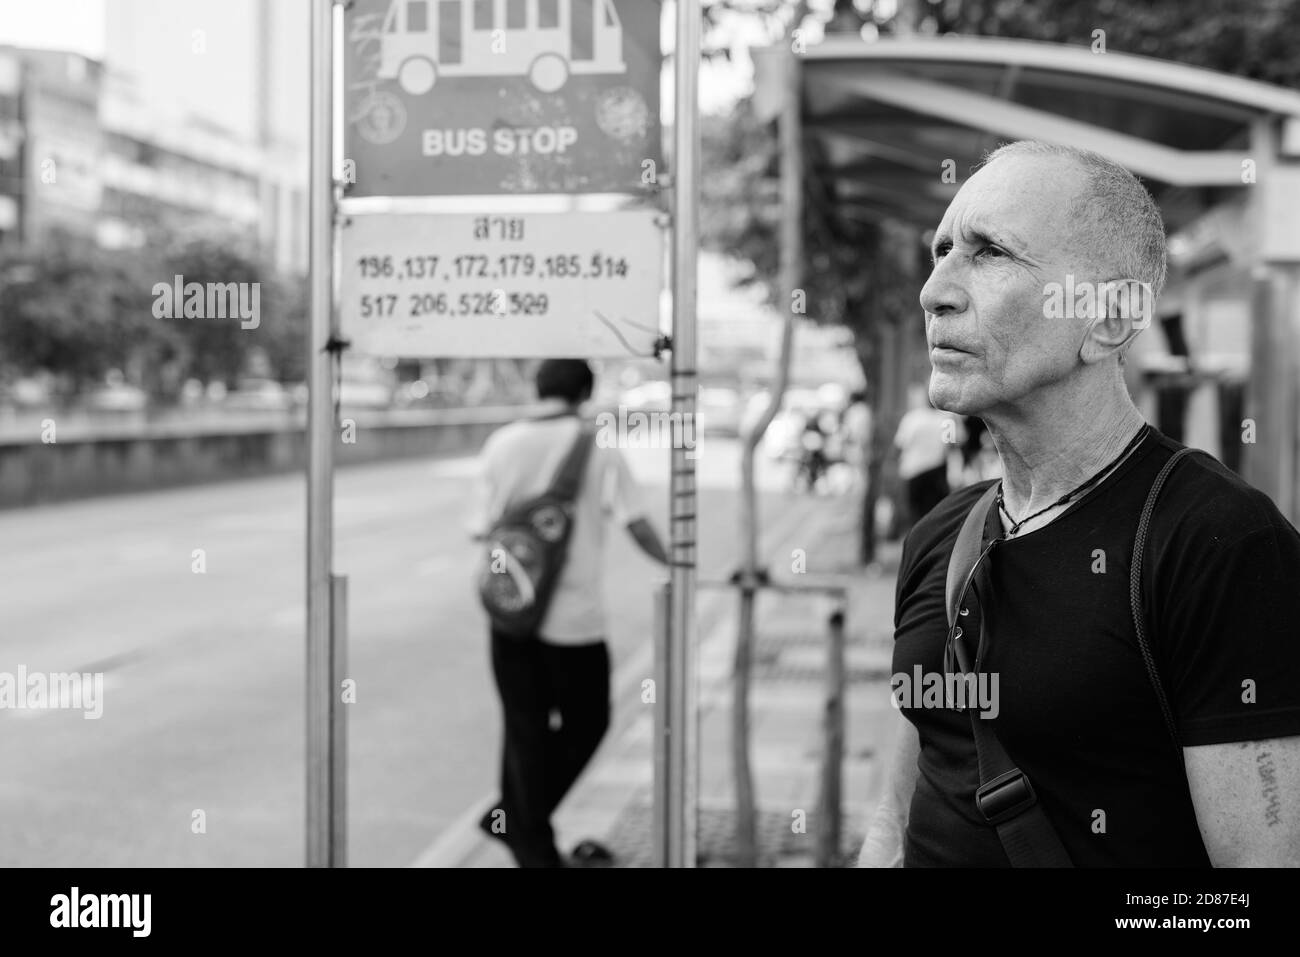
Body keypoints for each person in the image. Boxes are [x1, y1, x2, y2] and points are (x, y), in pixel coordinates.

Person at [859, 140, 1300, 867]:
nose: (934, 288)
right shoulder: (942, 535)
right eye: (941, 250)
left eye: (990, 252)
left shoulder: (1218, 544)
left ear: (1111, 317)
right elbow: (897, 810)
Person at [468, 358, 669, 868]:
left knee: (523, 727)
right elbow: (637, 522)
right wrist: (678, 563)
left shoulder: (502, 443)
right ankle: (525, 829)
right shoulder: (597, 444)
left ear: (539, 389)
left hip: (511, 614)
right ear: (584, 392)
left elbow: (481, 527)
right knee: (589, 722)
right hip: (574, 622)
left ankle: (519, 822)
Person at [893, 385, 959, 528]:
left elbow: (899, 446)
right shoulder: (947, 419)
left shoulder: (912, 418)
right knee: (935, 516)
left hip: (913, 471)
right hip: (936, 472)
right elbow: (952, 448)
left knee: (915, 515)